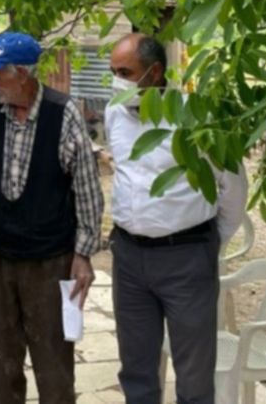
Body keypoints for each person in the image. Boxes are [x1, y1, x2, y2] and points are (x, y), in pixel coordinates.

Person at [105, 33, 248, 404]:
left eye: (125, 72)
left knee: (194, 376)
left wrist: (209, 244)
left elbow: (233, 189)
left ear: (154, 73)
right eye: (113, 71)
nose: (116, 81)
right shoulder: (114, 113)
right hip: (129, 259)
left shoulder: (197, 118)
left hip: (186, 259)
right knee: (136, 369)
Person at [0, 32, 105, 404]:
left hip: (49, 258)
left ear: (23, 75)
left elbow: (87, 187)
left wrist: (83, 255)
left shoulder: (63, 114)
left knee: (53, 362)